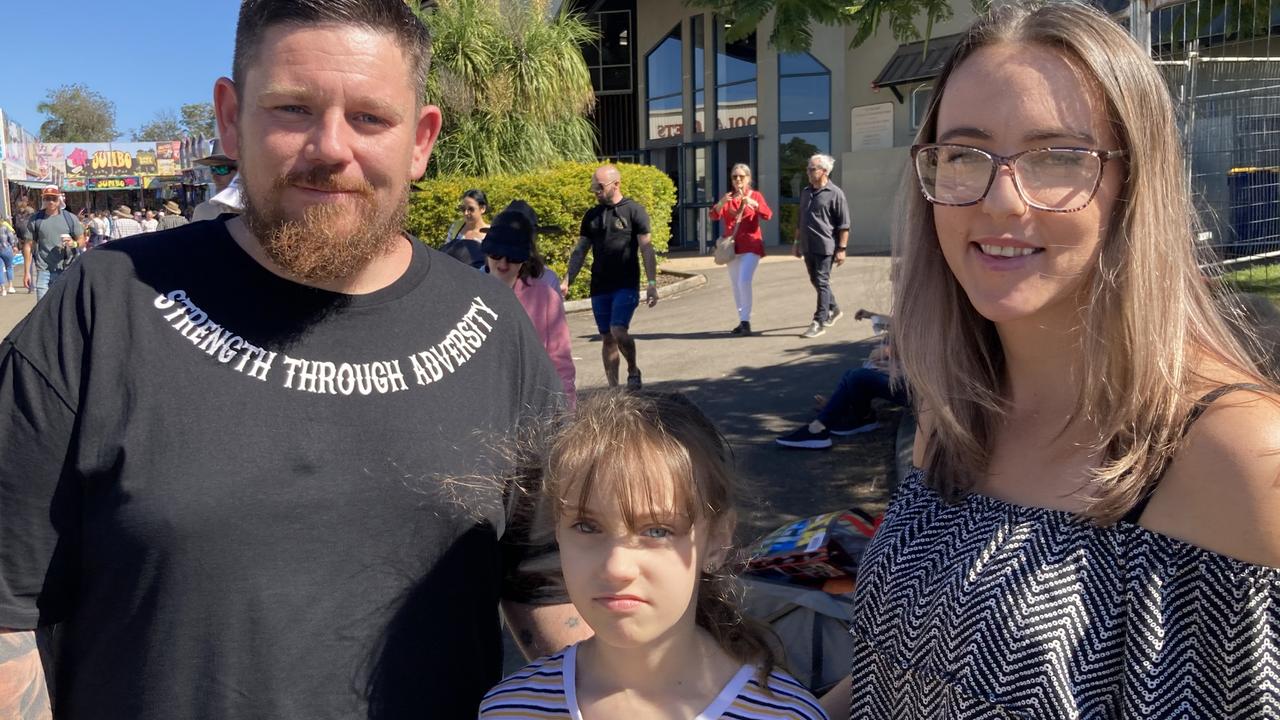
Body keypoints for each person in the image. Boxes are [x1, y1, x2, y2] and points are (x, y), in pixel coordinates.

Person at [0, 1, 589, 718]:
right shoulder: (105, 305)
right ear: (230, 115)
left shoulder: (492, 328)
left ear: (422, 139)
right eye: (292, 108)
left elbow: (547, 587)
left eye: (371, 117)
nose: (331, 148)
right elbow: (7, 610)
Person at [820, 4, 1280, 718]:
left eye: (1060, 156)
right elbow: (904, 669)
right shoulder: (956, 411)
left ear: (1134, 185)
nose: (1002, 201)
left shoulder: (1238, 461)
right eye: (965, 153)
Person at [480, 390, 828, 720]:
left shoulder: (783, 714)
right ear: (557, 530)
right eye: (587, 526)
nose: (616, 567)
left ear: (717, 540)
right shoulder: (510, 709)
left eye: (658, 530)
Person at [563, 165, 658, 389]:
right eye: (593, 187)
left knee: (618, 330)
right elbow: (580, 250)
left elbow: (646, 248)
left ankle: (633, 369)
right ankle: (613, 390)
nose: (595, 191)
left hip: (626, 283)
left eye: (600, 186)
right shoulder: (592, 216)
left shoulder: (634, 211)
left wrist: (652, 284)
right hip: (600, 285)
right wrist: (567, 280)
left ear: (616, 184)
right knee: (607, 337)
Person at [482, 200, 576, 407]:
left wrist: (567, 414)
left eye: (513, 257)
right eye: (496, 254)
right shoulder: (466, 292)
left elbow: (560, 361)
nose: (503, 264)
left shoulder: (545, 297)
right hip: (483, 409)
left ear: (525, 258)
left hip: (531, 407)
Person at [776, 310, 906, 449]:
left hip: (921, 393)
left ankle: (821, 427)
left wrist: (893, 358)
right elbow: (905, 327)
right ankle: (854, 416)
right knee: (854, 375)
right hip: (916, 386)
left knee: (857, 376)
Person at [710, 163, 772, 337]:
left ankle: (746, 321)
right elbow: (713, 215)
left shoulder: (756, 195)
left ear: (748, 179)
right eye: (734, 176)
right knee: (736, 285)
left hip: (751, 246)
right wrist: (721, 203)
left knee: (744, 281)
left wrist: (754, 204)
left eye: (741, 176)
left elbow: (768, 214)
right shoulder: (729, 197)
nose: (738, 179)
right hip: (732, 248)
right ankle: (742, 320)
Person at [792, 154, 849, 339]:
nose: (808, 172)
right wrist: (796, 243)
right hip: (808, 245)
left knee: (822, 281)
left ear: (824, 171)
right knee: (815, 280)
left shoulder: (835, 193)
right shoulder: (806, 192)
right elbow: (800, 220)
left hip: (826, 246)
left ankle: (819, 321)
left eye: (812, 168)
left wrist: (841, 249)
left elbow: (844, 224)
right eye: (808, 168)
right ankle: (834, 308)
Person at [22, 184, 85, 302]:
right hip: (44, 270)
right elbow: (28, 245)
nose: (50, 201)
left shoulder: (70, 218)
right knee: (42, 308)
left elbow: (82, 240)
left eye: (54, 198)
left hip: (67, 269)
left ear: (59, 199)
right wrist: (27, 272)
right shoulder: (36, 219)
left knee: (66, 306)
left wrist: (74, 244)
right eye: (47, 198)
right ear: (43, 200)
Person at [192, 139, 243, 222]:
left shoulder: (261, 209)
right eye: (213, 169)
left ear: (241, 172)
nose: (214, 177)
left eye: (221, 169)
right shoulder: (204, 211)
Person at [440, 188, 489, 269]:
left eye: (471, 209)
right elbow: (445, 254)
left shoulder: (490, 233)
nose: (466, 213)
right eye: (463, 209)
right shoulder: (455, 227)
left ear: (482, 208)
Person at [0, 218, 17, 295]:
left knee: (0, 269)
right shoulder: (5, 226)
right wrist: (14, 246)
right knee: (9, 267)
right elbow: (11, 237)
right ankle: (10, 286)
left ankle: (3, 289)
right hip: (6, 249)